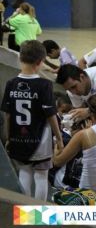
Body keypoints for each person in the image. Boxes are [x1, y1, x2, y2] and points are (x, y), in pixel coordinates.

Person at [0, 40, 63, 201]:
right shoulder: (44, 85)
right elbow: (51, 115)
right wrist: (59, 138)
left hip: (17, 138)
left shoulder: (11, 84)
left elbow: (7, 115)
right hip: (40, 140)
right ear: (40, 62)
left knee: (24, 172)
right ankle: (38, 215)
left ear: (20, 59)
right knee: (41, 177)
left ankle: (25, 211)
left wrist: (8, 137)